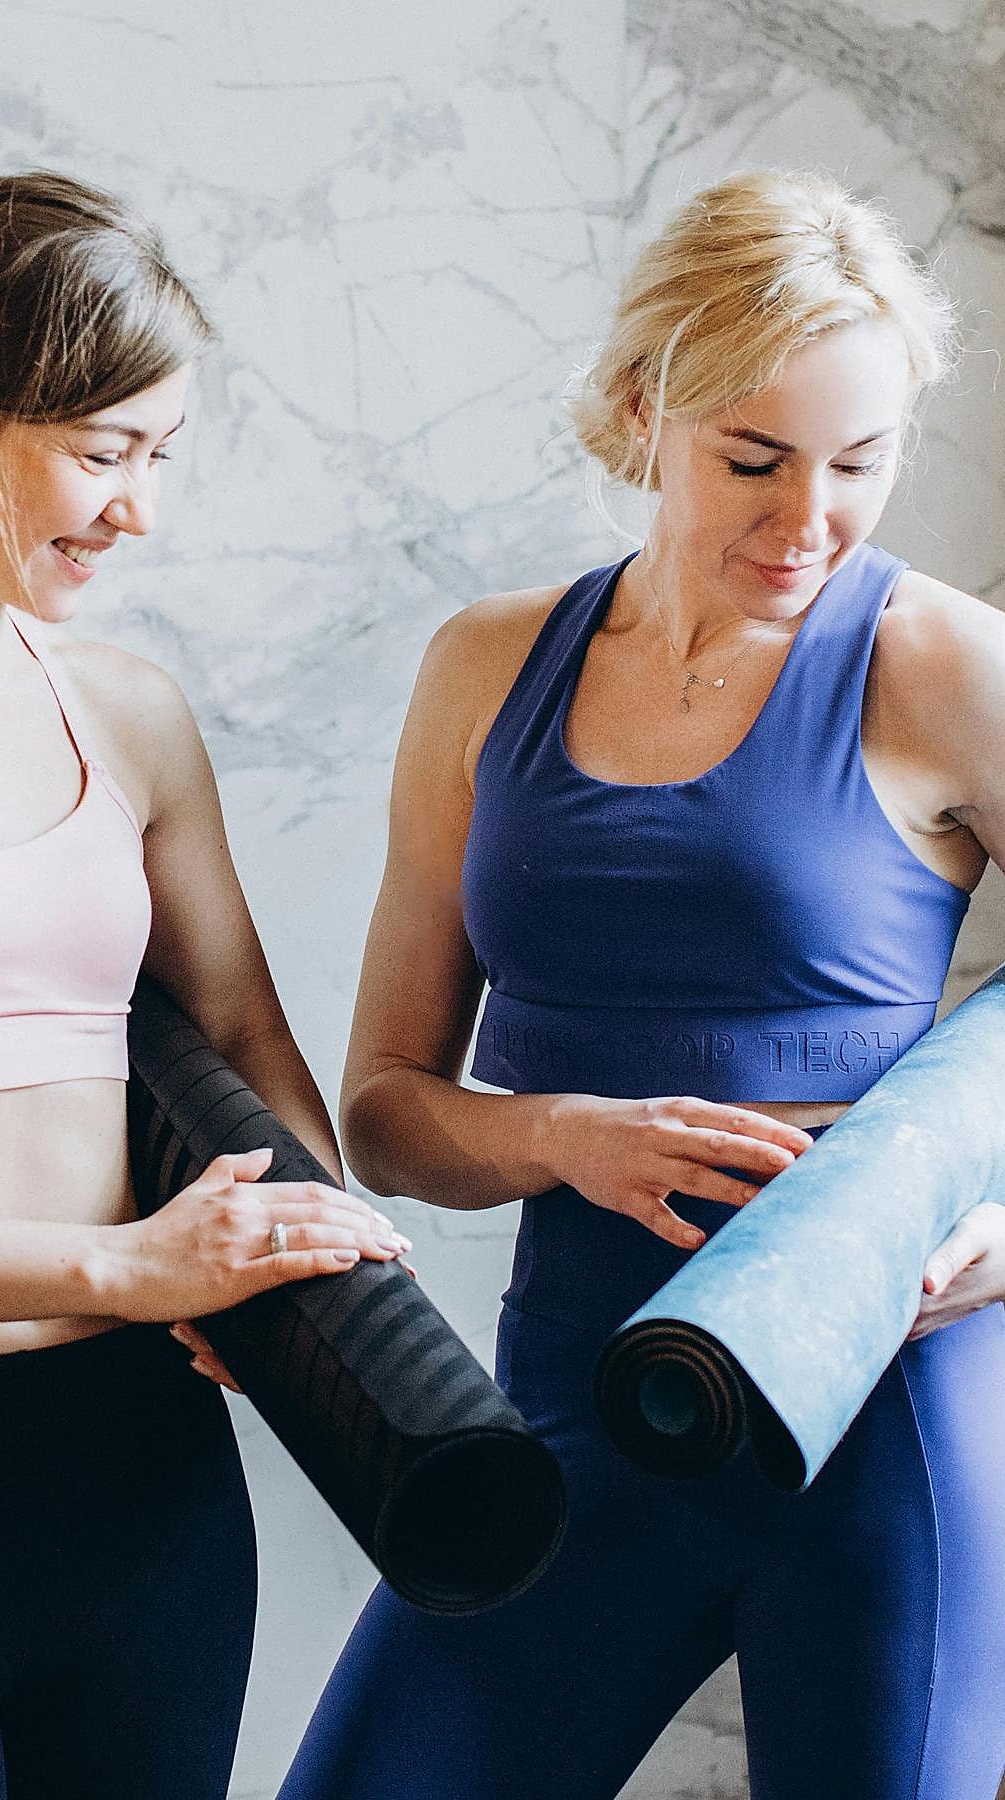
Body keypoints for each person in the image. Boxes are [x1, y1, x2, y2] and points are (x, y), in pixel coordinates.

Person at [274, 170, 1005, 1800]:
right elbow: (387, 1109)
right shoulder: (490, 665)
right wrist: (562, 1141)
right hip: (576, 1408)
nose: (806, 518)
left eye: (860, 463)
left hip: (882, 1419)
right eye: (754, 458)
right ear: (638, 409)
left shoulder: (947, 663)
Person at [0, 171, 409, 1800]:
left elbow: (239, 1040)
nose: (141, 510)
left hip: (142, 1486)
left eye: (163, 455)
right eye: (101, 453)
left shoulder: (129, 716)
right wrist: (127, 1262)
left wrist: (305, 1278)